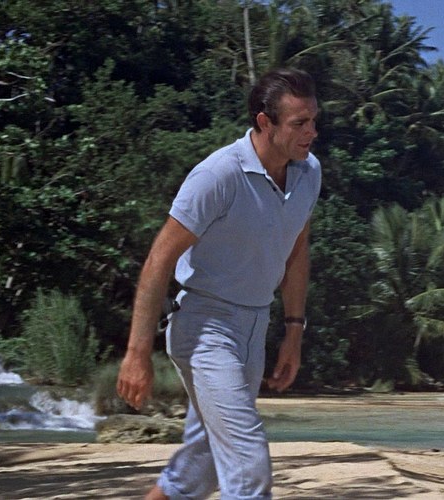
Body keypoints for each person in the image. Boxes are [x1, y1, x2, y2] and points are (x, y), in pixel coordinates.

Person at [116, 67, 320, 500]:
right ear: (265, 123)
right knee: (247, 466)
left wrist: (294, 331)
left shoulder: (308, 172)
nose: (312, 132)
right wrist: (137, 353)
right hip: (204, 325)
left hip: (255, 324)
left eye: (313, 120)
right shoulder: (219, 176)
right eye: (299, 123)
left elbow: (297, 247)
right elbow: (158, 260)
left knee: (202, 465)